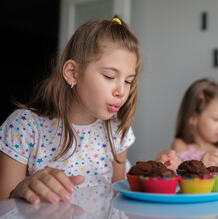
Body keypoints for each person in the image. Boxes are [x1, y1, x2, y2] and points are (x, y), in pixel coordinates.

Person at [0, 15, 179, 204]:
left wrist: (155, 174)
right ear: (72, 73)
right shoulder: (24, 127)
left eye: (128, 81)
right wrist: (20, 190)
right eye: (109, 76)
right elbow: (3, 203)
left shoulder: (116, 130)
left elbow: (119, 197)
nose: (122, 91)